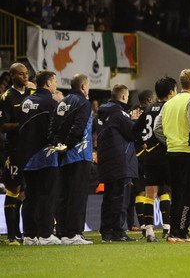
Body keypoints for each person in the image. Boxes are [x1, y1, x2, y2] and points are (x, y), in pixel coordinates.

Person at [154, 68, 190, 242]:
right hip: (187, 152)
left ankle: (173, 231)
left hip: (172, 151)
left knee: (176, 193)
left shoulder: (168, 103)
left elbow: (157, 128)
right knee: (188, 194)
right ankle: (182, 231)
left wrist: (170, 141)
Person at [17, 71, 63, 245]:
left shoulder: (26, 101)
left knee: (30, 196)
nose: (56, 84)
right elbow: (56, 129)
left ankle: (29, 235)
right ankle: (45, 235)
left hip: (26, 157)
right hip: (45, 156)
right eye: (55, 81)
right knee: (47, 195)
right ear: (48, 83)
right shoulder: (51, 103)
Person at [50, 73, 94, 243]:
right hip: (79, 155)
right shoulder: (83, 102)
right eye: (88, 85)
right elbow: (79, 127)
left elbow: (53, 127)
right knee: (78, 195)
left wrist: (58, 144)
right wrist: (68, 144)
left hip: (63, 156)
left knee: (64, 195)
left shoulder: (63, 102)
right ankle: (74, 233)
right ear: (83, 86)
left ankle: (62, 232)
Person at [96, 84, 139, 242]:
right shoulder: (119, 113)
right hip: (121, 161)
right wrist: (136, 121)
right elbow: (133, 133)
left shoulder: (102, 112)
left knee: (109, 198)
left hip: (107, 160)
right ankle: (118, 231)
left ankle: (106, 231)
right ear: (123, 97)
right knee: (121, 198)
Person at [134, 78, 175, 242]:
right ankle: (170, 229)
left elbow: (134, 130)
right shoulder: (169, 107)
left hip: (149, 157)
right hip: (166, 154)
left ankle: (149, 231)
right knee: (168, 191)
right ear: (171, 92)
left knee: (150, 193)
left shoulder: (149, 108)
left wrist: (142, 143)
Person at [1, 62, 34, 245]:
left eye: (26, 73)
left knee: (26, 192)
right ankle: (12, 235)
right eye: (21, 74)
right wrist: (23, 125)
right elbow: (3, 125)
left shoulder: (32, 93)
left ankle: (23, 233)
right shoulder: (6, 97)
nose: (25, 76)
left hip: (31, 150)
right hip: (14, 150)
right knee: (14, 190)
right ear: (12, 76)